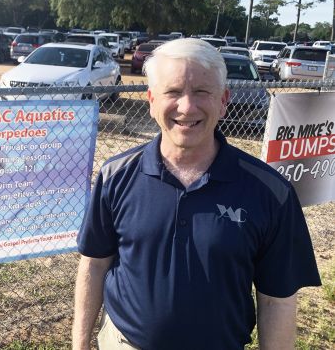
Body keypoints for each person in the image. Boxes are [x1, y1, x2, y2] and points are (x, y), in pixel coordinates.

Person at [73, 38, 321, 350]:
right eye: (173, 92)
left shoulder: (271, 192)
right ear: (151, 100)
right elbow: (94, 264)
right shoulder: (116, 175)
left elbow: (277, 300)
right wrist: (79, 344)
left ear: (223, 100)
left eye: (202, 92)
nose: (187, 107)